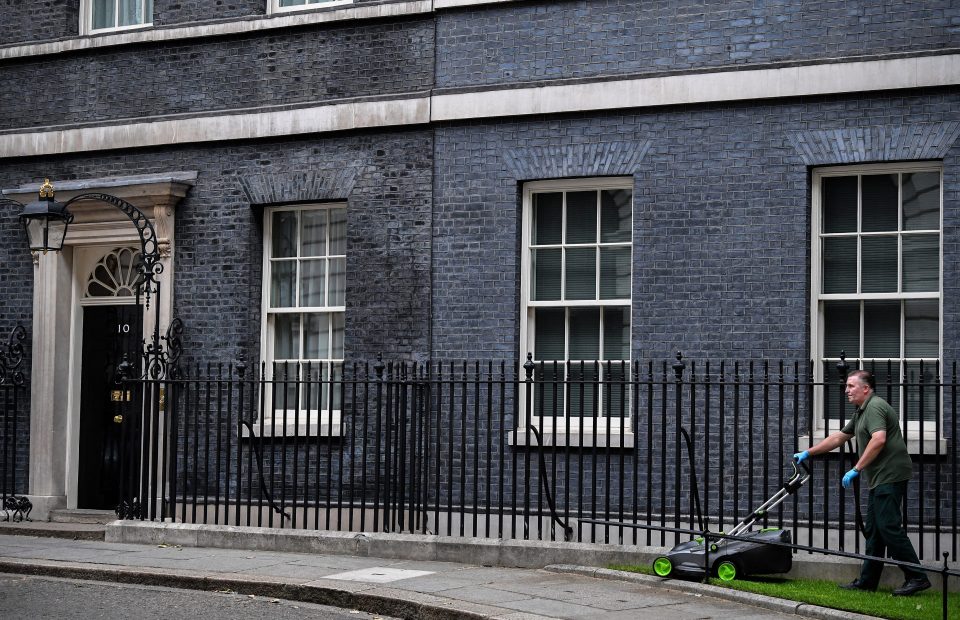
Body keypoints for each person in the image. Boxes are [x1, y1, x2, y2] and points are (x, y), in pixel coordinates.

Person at [794, 370, 930, 596]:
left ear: (865, 388)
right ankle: (867, 581)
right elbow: (839, 437)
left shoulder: (875, 406)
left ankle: (917, 576)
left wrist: (856, 469)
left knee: (888, 526)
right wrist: (808, 452)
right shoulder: (861, 411)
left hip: (890, 474)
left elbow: (879, 439)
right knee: (875, 530)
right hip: (880, 476)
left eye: (850, 386)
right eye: (846, 386)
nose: (846, 390)